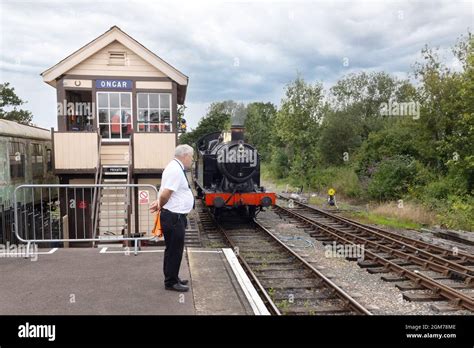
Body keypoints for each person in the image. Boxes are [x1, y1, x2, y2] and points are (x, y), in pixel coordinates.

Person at [150, 144, 195, 292]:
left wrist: (159, 203)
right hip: (174, 217)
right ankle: (170, 282)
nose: (192, 160)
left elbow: (165, 191)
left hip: (175, 216)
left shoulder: (174, 167)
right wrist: (160, 205)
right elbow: (165, 194)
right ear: (185, 156)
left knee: (172, 249)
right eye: (192, 157)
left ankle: (173, 277)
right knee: (175, 250)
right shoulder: (176, 170)